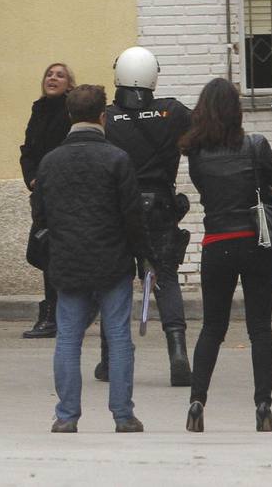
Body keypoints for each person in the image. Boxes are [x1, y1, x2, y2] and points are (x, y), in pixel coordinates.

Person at [31, 84, 153, 434]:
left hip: (67, 261)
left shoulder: (50, 161)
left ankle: (66, 416)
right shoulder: (117, 158)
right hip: (112, 260)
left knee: (68, 339)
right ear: (103, 116)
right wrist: (145, 257)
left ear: (69, 116)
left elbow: (40, 214)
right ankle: (123, 415)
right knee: (118, 336)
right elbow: (132, 215)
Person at [180, 77, 272, 434]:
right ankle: (263, 404)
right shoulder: (256, 145)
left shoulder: (195, 154)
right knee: (260, 328)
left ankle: (197, 400)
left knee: (212, 328)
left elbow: (205, 190)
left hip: (216, 244)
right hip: (256, 243)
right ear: (236, 109)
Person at [101, 46, 192, 387]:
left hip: (117, 208)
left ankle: (110, 359)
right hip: (161, 207)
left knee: (115, 280)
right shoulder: (172, 112)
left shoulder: (106, 116)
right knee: (165, 277)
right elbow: (199, 139)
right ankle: (178, 352)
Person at [19, 61, 76, 339]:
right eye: (49, 74)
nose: (52, 78)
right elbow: (28, 150)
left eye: (60, 75)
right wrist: (31, 178)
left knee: (54, 251)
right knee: (41, 251)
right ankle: (62, 309)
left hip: (66, 191)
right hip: (41, 191)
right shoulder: (38, 109)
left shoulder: (71, 111)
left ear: (69, 84)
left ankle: (54, 314)